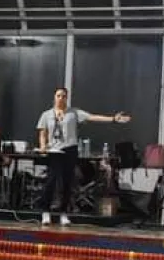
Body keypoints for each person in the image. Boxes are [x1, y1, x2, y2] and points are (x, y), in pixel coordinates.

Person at [36, 87, 131, 226]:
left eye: (63, 96)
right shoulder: (46, 114)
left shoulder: (73, 113)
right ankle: (45, 212)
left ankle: (64, 212)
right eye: (58, 95)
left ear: (67, 98)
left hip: (69, 149)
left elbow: (92, 117)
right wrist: (43, 146)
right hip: (54, 150)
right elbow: (42, 133)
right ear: (54, 97)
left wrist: (113, 119)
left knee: (67, 182)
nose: (61, 98)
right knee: (51, 181)